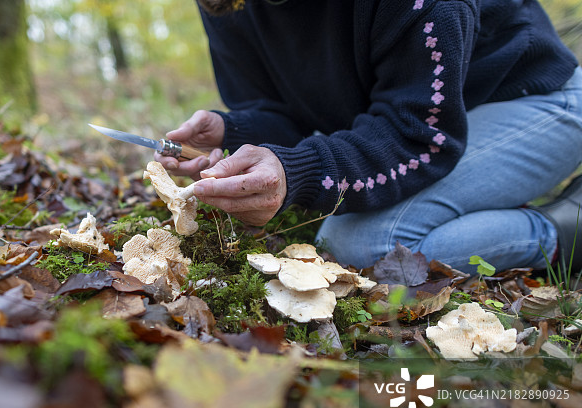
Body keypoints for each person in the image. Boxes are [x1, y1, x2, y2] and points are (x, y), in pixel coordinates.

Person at [156, 0, 582, 274]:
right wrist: (235, 132)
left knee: (366, 246)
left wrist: (297, 171)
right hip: (421, 121)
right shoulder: (227, 4)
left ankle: (563, 230)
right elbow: (288, 113)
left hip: (536, 100)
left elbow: (418, 134)